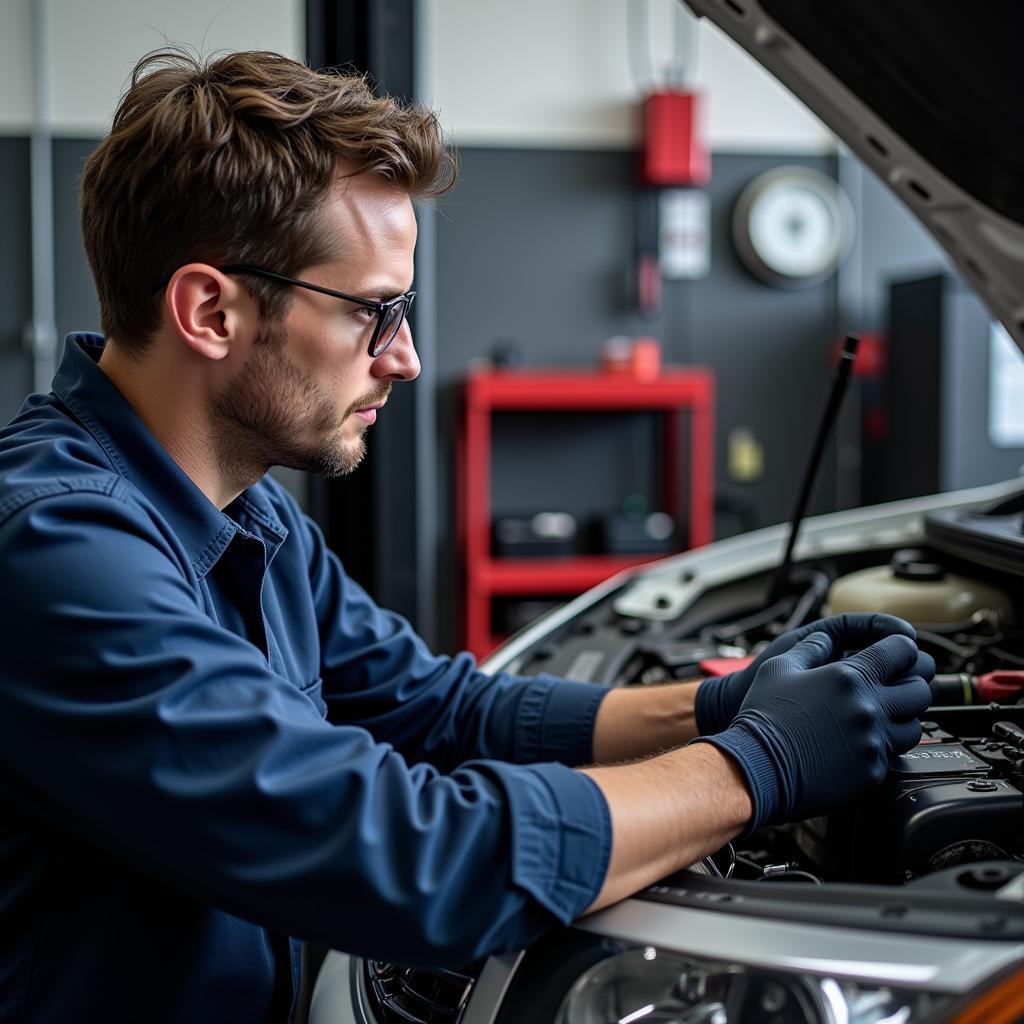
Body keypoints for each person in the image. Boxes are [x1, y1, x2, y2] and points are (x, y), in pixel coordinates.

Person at [0, 50, 933, 1024]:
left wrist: (715, 706)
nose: (402, 358)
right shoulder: (56, 552)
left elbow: (437, 708)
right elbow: (410, 858)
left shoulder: (250, 513)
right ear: (210, 310)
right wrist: (757, 765)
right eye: (374, 311)